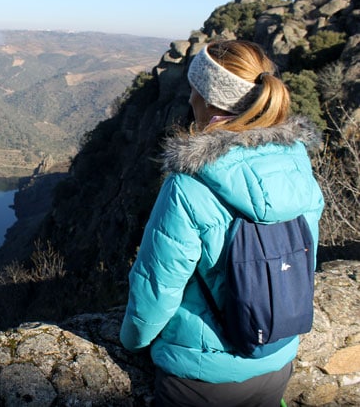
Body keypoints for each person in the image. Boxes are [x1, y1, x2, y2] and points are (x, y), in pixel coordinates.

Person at [119, 40, 325, 406]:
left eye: (194, 90)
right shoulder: (297, 167)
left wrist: (132, 342)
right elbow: (302, 261)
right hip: (277, 361)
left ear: (208, 98)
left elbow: (156, 287)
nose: (189, 100)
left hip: (202, 379)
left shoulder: (189, 184)